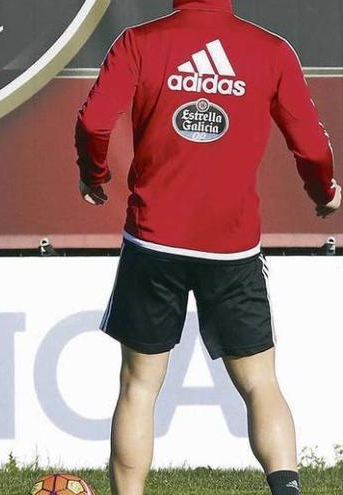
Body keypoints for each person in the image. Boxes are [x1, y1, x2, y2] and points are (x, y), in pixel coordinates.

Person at [74, 0, 341, 494]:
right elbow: (312, 145)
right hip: (232, 246)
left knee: (139, 387)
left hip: (154, 241)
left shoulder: (139, 41)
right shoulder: (270, 49)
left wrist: (93, 175)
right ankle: (287, 489)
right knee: (261, 383)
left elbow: (93, 123)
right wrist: (323, 191)